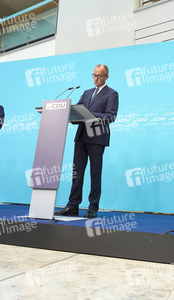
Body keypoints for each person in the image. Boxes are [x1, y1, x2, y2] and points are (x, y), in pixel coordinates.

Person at [56, 64, 119, 218]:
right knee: (76, 173)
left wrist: (90, 115)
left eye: (100, 76)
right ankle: (73, 206)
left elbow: (111, 116)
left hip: (97, 137)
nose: (96, 78)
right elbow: (77, 111)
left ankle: (93, 207)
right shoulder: (86, 92)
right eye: (94, 75)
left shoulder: (112, 94)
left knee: (95, 173)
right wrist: (70, 112)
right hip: (81, 137)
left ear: (107, 77)